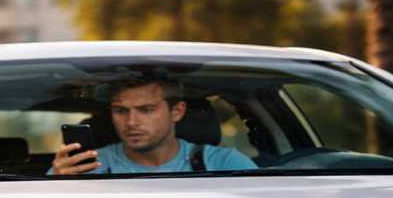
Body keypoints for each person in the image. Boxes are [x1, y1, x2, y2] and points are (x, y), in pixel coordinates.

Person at [50, 77, 257, 176]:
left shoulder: (226, 165)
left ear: (177, 112)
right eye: (121, 111)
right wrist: (56, 187)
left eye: (146, 110)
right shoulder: (84, 167)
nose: (131, 122)